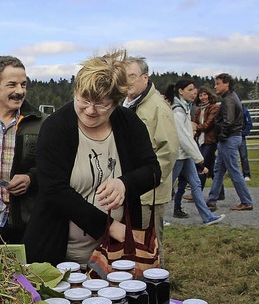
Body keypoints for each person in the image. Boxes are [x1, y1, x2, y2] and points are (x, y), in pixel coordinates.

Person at [22, 50, 161, 266]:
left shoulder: (129, 123)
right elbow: (54, 191)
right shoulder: (55, 127)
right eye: (84, 100)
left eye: (101, 104)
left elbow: (153, 171)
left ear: (117, 101)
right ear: (76, 90)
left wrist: (125, 184)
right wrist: (110, 227)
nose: (90, 111)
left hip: (115, 256)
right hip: (58, 253)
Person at [0, 56, 46, 249]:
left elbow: (53, 168)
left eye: (23, 84)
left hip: (25, 224)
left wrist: (31, 179)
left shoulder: (41, 123)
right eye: (12, 85)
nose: (19, 91)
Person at [122, 56, 178, 263]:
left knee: (150, 243)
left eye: (133, 76)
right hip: (128, 188)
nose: (128, 82)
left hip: (148, 194)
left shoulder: (157, 108)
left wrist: (147, 180)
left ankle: (156, 285)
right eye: (124, 77)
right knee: (131, 240)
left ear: (145, 78)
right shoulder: (126, 105)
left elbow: (169, 150)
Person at [166, 80, 225, 225]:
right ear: (180, 91)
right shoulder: (177, 110)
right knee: (166, 188)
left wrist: (195, 155)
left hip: (185, 155)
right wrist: (198, 157)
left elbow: (188, 136)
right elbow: (182, 137)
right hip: (179, 155)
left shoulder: (184, 107)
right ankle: (155, 219)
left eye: (194, 89)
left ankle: (207, 217)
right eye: (190, 89)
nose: (194, 92)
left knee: (196, 183)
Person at [206, 73, 254, 211]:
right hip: (231, 137)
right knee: (219, 170)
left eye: (218, 83)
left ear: (226, 84)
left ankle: (246, 201)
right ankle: (212, 198)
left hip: (229, 138)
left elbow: (228, 121)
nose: (215, 86)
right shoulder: (232, 97)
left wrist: (222, 135)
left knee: (233, 171)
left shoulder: (228, 100)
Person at [239, 105, 253, 181]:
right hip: (232, 135)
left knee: (244, 156)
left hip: (241, 136)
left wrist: (243, 133)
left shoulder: (244, 111)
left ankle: (246, 174)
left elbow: (249, 123)